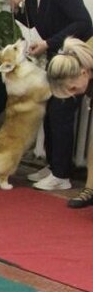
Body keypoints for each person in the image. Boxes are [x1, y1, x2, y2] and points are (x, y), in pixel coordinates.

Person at [8, 0, 93, 192]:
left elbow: (84, 23)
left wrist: (49, 43)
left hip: (70, 60)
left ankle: (62, 174)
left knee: (61, 113)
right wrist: (17, 9)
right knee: (50, 112)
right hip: (52, 57)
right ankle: (54, 164)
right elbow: (35, 24)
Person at [46, 37, 93, 207]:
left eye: (72, 89)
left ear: (84, 73)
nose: (73, 94)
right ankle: (91, 189)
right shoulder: (78, 57)